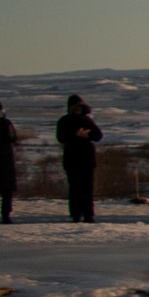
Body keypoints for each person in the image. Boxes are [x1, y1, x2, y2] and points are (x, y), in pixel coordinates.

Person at [56, 95, 103, 223]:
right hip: (72, 159)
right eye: (75, 107)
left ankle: (88, 214)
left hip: (87, 159)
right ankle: (76, 214)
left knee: (87, 188)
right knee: (75, 187)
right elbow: (61, 137)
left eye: (80, 107)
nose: (78, 109)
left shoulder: (87, 120)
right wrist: (75, 135)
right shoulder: (64, 121)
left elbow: (98, 135)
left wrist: (87, 135)